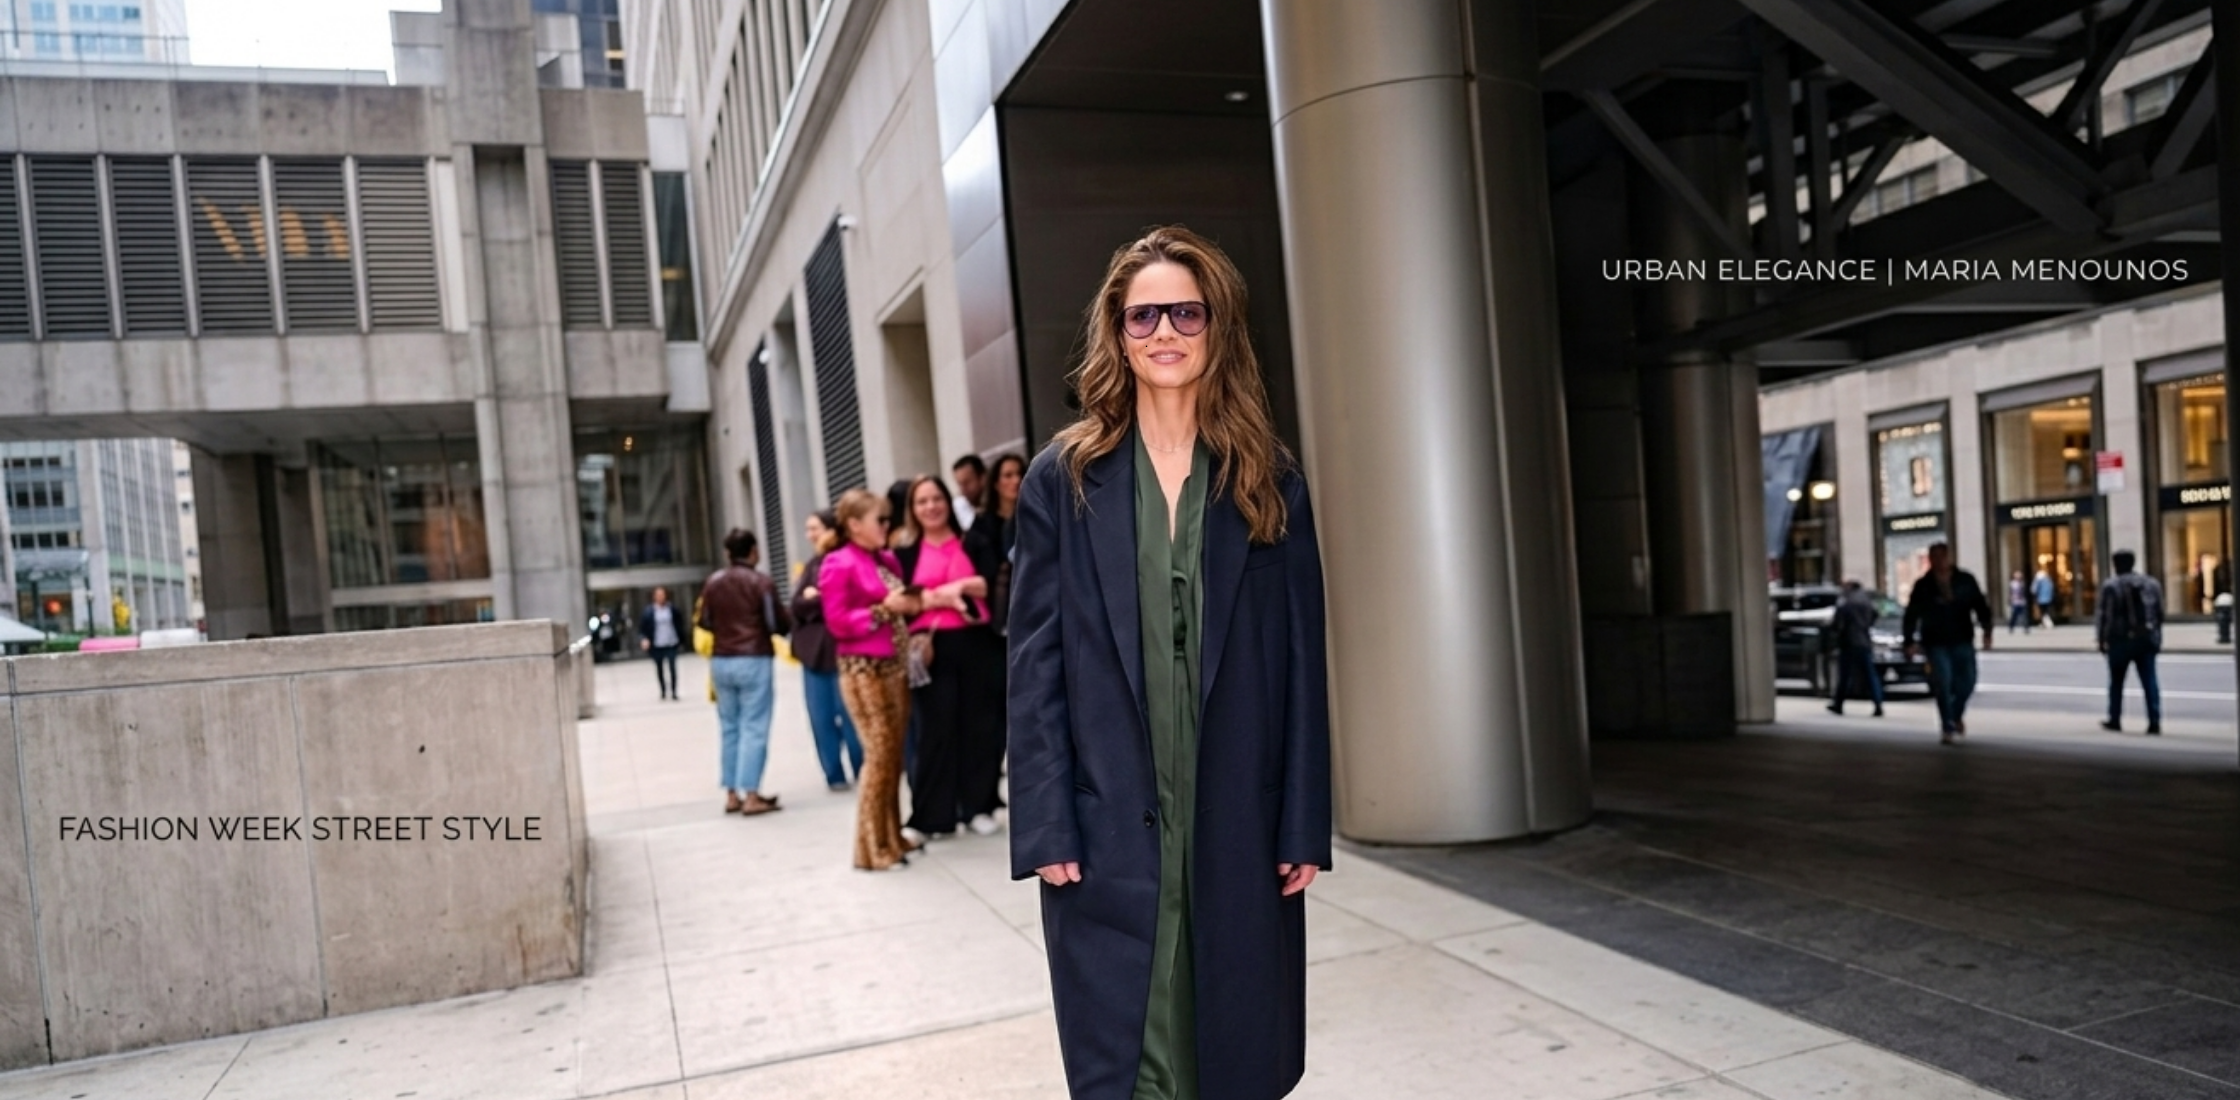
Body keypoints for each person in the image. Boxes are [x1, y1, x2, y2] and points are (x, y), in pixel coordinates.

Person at [1009, 225, 1332, 1100]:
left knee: (1234, 1046)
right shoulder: (1064, 480)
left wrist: (1303, 821)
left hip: (1236, 813)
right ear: (1117, 331)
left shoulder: (1268, 478)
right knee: (1131, 1057)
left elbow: (1304, 661)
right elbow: (1034, 661)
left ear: (1216, 326)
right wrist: (1044, 822)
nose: (1164, 332)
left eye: (1184, 312)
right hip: (1109, 816)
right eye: (1143, 314)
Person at [895, 474, 1006, 841]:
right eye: (922, 501)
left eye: (936, 499)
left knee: (981, 727)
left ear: (948, 501)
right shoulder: (905, 553)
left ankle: (979, 806)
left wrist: (947, 589)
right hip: (931, 649)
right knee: (934, 732)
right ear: (913, 510)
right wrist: (946, 595)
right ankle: (930, 817)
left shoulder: (973, 541)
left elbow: (988, 583)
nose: (931, 507)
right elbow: (903, 600)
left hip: (977, 643)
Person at [820, 489, 925, 871]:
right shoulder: (837, 563)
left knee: (893, 754)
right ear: (854, 525)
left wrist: (909, 604)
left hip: (893, 666)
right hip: (863, 670)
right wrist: (884, 610)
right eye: (878, 520)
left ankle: (891, 836)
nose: (885, 526)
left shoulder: (884, 559)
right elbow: (838, 623)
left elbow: (903, 604)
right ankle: (870, 849)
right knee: (879, 755)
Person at [697, 529, 791, 815]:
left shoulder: (713, 583)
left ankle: (731, 795)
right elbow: (776, 623)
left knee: (729, 727)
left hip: (722, 660)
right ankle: (751, 794)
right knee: (754, 726)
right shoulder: (761, 583)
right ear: (753, 551)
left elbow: (705, 621)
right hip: (753, 658)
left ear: (728, 553)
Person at [791, 511, 866, 790]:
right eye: (808, 529)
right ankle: (833, 774)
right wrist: (817, 601)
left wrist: (819, 598)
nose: (811, 534)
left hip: (843, 652)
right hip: (813, 654)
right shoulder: (811, 565)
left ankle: (862, 769)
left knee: (850, 715)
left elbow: (845, 602)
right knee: (820, 718)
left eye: (815, 528)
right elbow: (797, 605)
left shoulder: (848, 559)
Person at [1902, 542, 1994, 745]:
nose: (1939, 561)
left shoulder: (1965, 580)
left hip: (1962, 638)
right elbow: (1912, 614)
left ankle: (1955, 713)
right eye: (1934, 557)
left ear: (1949, 557)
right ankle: (1948, 725)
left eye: (1942, 556)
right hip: (1935, 642)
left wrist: (1987, 629)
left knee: (1967, 682)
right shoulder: (1923, 585)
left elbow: (1980, 605)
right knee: (1943, 682)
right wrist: (1909, 641)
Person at [2096, 549, 2163, 735]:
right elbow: (2159, 614)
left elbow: (2105, 615)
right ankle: (2154, 721)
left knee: (2116, 682)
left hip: (2120, 641)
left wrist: (2102, 639)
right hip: (2145, 639)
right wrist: (2157, 639)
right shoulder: (2150, 583)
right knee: (2149, 681)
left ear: (2116, 565)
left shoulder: (2111, 585)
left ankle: (2115, 718)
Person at [966, 452, 1028, 637]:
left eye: (1020, 474)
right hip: (993, 609)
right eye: (1008, 475)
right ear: (995, 483)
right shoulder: (982, 523)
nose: (1016, 480)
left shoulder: (1033, 518)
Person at [1825, 580, 1884, 718]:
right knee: (1870, 675)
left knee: (1844, 675)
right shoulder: (1866, 601)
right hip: (1864, 641)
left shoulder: (1846, 602)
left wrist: (1836, 634)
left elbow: (1837, 623)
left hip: (1849, 642)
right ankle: (1878, 704)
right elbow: (1875, 615)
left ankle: (1838, 704)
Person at [637, 586, 683, 700]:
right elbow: (642, 628)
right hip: (657, 644)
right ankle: (663, 690)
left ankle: (674, 691)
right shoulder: (649, 612)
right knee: (659, 668)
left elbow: (679, 624)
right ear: (654, 597)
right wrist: (644, 639)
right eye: (658, 595)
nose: (660, 597)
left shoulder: (672, 609)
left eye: (662, 595)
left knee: (672, 667)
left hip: (671, 642)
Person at [951, 454, 987, 531]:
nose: (963, 489)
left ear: (982, 478)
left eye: (967, 482)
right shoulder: (958, 506)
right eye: (960, 484)